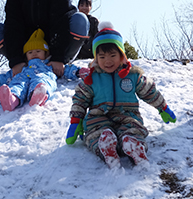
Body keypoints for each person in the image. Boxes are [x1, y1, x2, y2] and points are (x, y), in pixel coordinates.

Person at [65, 22, 176, 169]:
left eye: (113, 55)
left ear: (122, 55)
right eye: (102, 56)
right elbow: (80, 99)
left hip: (127, 115)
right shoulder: (92, 79)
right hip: (99, 117)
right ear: (96, 58)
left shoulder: (132, 76)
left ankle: (132, 144)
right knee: (94, 132)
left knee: (134, 128)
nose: (108, 61)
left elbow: (149, 91)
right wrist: (75, 121)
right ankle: (105, 146)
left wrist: (163, 107)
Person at [0, 29, 90, 111]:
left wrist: (81, 72)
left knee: (42, 82)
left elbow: (67, 70)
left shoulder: (49, 64)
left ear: (45, 53)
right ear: (26, 56)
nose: (34, 54)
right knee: (17, 83)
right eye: (30, 52)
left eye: (38, 51)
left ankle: (38, 95)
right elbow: (6, 77)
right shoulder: (23, 67)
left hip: (42, 77)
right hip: (23, 77)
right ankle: (11, 99)